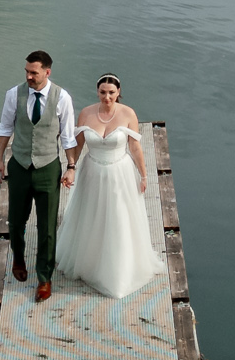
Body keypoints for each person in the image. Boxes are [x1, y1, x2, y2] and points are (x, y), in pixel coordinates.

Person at [54, 74, 162, 298]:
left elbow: (135, 148)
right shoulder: (86, 113)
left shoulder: (128, 114)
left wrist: (143, 175)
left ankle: (118, 270)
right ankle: (90, 262)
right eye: (103, 92)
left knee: (118, 217)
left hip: (119, 172)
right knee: (92, 216)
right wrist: (70, 167)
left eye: (111, 93)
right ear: (97, 92)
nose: (107, 97)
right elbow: (78, 144)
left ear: (118, 92)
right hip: (92, 171)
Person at [0, 51, 79, 302]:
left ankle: (44, 277)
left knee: (47, 226)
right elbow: (5, 127)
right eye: (27, 72)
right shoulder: (14, 94)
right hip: (19, 166)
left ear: (47, 72)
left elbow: (68, 137)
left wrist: (71, 166)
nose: (29, 76)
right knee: (16, 221)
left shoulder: (62, 97)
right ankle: (18, 260)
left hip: (48, 167)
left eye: (34, 72)